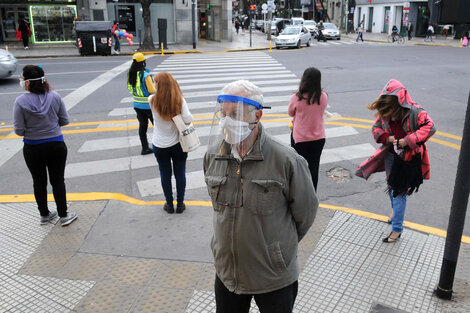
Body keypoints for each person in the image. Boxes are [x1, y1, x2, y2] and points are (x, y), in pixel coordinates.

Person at [204, 80, 318, 313]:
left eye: (235, 113)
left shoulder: (286, 160)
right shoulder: (213, 154)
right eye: (223, 113)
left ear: (257, 116)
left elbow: (305, 214)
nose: (226, 120)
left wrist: (276, 251)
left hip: (273, 277)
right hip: (228, 274)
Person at [355, 79, 436, 243]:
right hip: (391, 156)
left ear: (400, 102)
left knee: (399, 192)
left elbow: (430, 126)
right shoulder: (385, 112)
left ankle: (397, 229)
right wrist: (387, 137)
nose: (389, 113)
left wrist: (409, 140)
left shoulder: (415, 112)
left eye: (391, 107)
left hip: (408, 158)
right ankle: (395, 214)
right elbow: (375, 128)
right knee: (392, 187)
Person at [13, 65, 78, 226]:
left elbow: (19, 131)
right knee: (58, 181)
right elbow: (65, 120)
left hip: (32, 147)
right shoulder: (55, 96)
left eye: (22, 79)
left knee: (39, 182)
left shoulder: (20, 101)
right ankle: (64, 215)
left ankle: (44, 214)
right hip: (56, 145)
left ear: (27, 83)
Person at [149, 72, 193, 214]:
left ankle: (169, 204)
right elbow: (187, 120)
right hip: (178, 144)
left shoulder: (151, 100)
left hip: (159, 144)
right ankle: (180, 204)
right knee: (180, 173)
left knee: (165, 174)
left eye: (156, 82)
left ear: (160, 85)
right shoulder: (179, 100)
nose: (154, 84)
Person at [288, 67, 327, 191]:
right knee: (314, 168)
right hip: (318, 138)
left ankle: (299, 196)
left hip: (300, 139)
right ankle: (312, 196)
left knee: (299, 169)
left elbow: (290, 112)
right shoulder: (323, 96)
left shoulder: (297, 97)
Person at [127, 53, 155, 155]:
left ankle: (145, 148)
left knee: (142, 127)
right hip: (148, 106)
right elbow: (152, 90)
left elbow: (130, 89)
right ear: (143, 62)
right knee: (157, 126)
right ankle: (158, 146)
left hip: (137, 105)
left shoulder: (131, 74)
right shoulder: (145, 75)